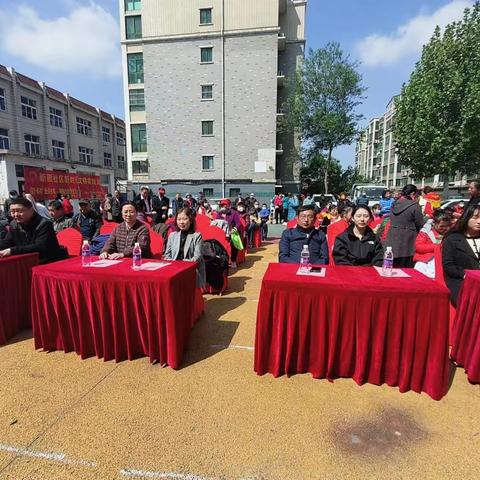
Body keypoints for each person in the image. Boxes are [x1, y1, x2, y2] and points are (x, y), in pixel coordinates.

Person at [0, 197, 68, 264]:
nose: (16, 215)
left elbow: (39, 247)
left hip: (49, 262)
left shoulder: (44, 224)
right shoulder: (14, 224)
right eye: (12, 211)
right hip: (27, 261)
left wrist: (12, 250)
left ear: (31, 210)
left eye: (19, 211)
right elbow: (7, 242)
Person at [442, 203, 480, 305]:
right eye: (475, 217)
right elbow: (449, 266)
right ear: (467, 217)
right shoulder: (452, 239)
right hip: (461, 281)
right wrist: (467, 275)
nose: (479, 221)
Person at [163, 207, 206, 287]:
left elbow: (197, 256)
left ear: (190, 220)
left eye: (184, 219)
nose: (181, 222)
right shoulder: (172, 236)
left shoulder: (196, 236)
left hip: (190, 268)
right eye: (179, 219)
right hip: (174, 267)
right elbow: (167, 254)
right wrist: (173, 263)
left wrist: (185, 263)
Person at [385, 184, 423, 268]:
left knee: (391, 267)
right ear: (413, 194)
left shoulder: (394, 203)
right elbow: (420, 223)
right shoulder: (415, 206)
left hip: (392, 238)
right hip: (407, 242)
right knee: (405, 270)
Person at [414, 209, 453, 278]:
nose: (445, 228)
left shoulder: (450, 234)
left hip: (442, 261)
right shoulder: (425, 232)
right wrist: (437, 247)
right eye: (442, 226)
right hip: (425, 260)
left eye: (447, 226)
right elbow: (419, 246)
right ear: (434, 223)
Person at [215, 199, 241, 268]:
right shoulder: (219, 214)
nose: (222, 207)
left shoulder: (234, 213)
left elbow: (238, 223)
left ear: (228, 206)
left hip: (232, 232)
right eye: (221, 205)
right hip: (221, 233)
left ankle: (233, 261)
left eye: (224, 205)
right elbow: (216, 223)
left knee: (233, 245)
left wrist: (234, 229)